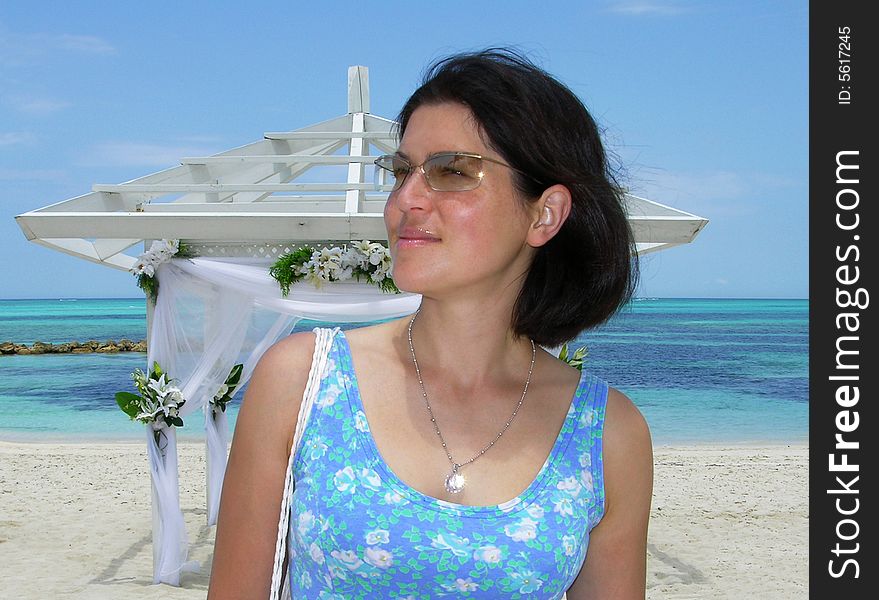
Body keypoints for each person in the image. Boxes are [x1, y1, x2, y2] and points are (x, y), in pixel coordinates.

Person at [208, 48, 652, 599]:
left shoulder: (606, 434)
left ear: (545, 213)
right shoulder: (303, 381)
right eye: (400, 172)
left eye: (452, 171)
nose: (405, 200)